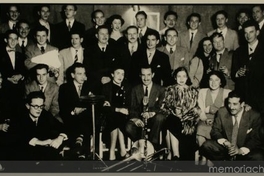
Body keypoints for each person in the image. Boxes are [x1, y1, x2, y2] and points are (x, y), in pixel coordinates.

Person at [200, 91, 264, 163]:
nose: (231, 107)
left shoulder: (254, 116)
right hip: (226, 149)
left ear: (242, 104)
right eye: (229, 103)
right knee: (207, 145)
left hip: (243, 151)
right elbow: (215, 130)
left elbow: (256, 138)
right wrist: (225, 142)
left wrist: (241, 150)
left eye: (235, 104)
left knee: (258, 156)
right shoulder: (222, 112)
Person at [160, 67, 201, 161]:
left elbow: (195, 109)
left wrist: (183, 115)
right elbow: (164, 107)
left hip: (188, 119)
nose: (181, 79)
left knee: (175, 122)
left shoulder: (193, 91)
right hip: (173, 119)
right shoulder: (170, 90)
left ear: (187, 78)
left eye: (184, 76)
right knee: (172, 120)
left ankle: (174, 155)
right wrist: (174, 111)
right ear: (175, 77)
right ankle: (176, 155)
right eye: (179, 76)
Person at [126, 66, 166, 151]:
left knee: (160, 118)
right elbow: (132, 108)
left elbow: (162, 107)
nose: (146, 78)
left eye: (148, 75)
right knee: (129, 127)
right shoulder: (135, 89)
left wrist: (151, 113)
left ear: (153, 75)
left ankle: (152, 147)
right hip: (140, 119)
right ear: (140, 76)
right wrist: (135, 119)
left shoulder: (161, 89)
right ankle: (139, 146)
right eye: (143, 75)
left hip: (153, 119)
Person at [59, 63, 94, 159]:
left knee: (85, 119)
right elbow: (63, 107)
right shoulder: (64, 88)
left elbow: (94, 105)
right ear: (72, 75)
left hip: (86, 119)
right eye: (79, 74)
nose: (83, 77)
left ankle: (79, 144)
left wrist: (82, 109)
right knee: (78, 122)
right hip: (71, 119)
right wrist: (74, 111)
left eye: (84, 73)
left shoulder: (89, 87)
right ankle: (82, 149)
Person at [19, 91, 68, 160]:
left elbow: (62, 127)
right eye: (36, 106)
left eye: (41, 106)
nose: (39, 109)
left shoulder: (45, 114)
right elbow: (21, 138)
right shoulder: (19, 117)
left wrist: (60, 138)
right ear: (28, 106)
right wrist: (42, 142)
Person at [196, 71, 231, 164]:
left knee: (215, 130)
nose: (213, 83)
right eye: (211, 80)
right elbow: (200, 109)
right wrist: (205, 118)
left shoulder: (227, 93)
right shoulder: (202, 91)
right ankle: (204, 156)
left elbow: (226, 111)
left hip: (220, 120)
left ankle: (209, 158)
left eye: (216, 80)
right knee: (200, 128)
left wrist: (212, 112)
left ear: (221, 82)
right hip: (204, 119)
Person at [231, 20, 264, 118]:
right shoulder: (239, 51)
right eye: (245, 33)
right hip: (244, 98)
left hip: (261, 99)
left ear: (257, 32)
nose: (248, 35)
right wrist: (238, 73)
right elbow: (233, 74)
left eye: (251, 32)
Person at [101, 66, 131, 160]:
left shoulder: (127, 88)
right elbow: (104, 107)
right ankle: (122, 150)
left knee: (118, 117)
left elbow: (130, 105)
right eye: (118, 73)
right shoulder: (106, 87)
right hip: (107, 118)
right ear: (112, 74)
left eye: (122, 74)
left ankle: (112, 151)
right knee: (115, 116)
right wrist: (117, 109)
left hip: (124, 117)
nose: (120, 76)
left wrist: (121, 110)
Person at [84, 25, 120, 92]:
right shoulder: (89, 50)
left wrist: (110, 77)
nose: (105, 36)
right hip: (95, 84)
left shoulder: (114, 49)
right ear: (97, 36)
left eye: (106, 34)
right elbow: (88, 68)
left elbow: (117, 66)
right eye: (102, 34)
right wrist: (101, 78)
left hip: (111, 83)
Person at [0, 30, 26, 116]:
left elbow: (25, 71)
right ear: (5, 40)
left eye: (15, 39)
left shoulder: (20, 55)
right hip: (4, 92)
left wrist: (21, 76)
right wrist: (7, 79)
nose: (13, 41)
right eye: (10, 38)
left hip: (18, 93)